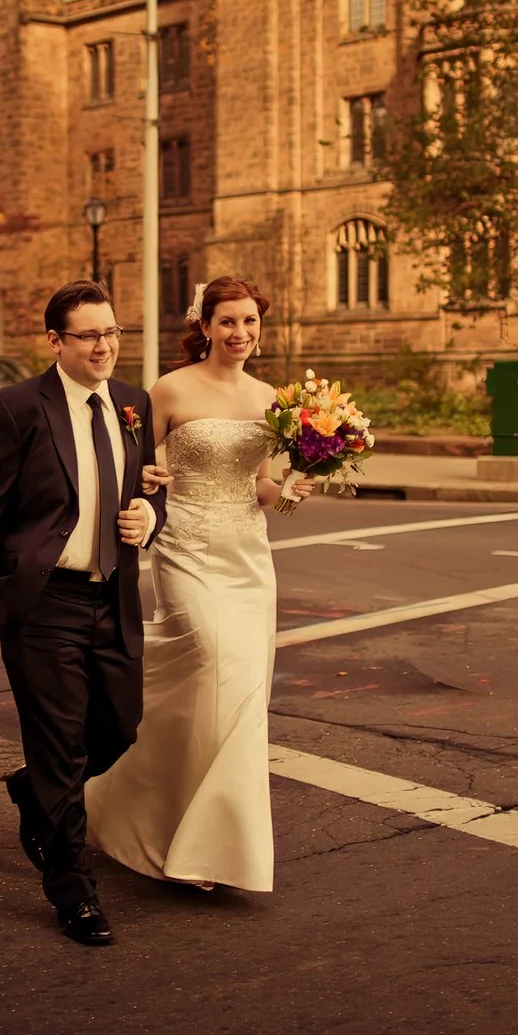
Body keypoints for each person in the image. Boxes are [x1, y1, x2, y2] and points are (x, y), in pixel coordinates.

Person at [86, 277, 310, 896]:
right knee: (212, 663)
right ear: (205, 325)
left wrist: (289, 492)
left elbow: (261, 488)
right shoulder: (171, 388)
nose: (241, 333)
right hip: (185, 546)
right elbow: (128, 465)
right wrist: (146, 483)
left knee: (240, 688)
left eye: (250, 323)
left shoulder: (272, 399)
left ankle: (211, 843)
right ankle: (164, 819)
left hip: (248, 556)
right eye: (228, 322)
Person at [0, 280, 168, 947]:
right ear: (56, 341)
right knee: (60, 742)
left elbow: (144, 492)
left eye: (113, 332)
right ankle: (73, 889)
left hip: (112, 591)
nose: (106, 345)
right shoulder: (18, 407)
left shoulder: (133, 403)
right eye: (90, 335)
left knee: (121, 724)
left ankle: (34, 789)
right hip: (44, 600)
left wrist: (149, 516)